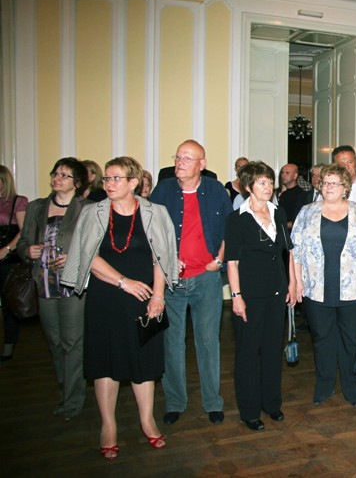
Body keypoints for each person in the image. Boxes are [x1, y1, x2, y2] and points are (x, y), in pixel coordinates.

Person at [62, 156, 177, 459]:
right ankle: (108, 425)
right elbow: (89, 257)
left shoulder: (155, 212)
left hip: (145, 297)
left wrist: (158, 297)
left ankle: (147, 420)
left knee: (144, 362)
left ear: (133, 182)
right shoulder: (93, 212)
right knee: (106, 362)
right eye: (107, 178)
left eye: (116, 178)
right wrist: (124, 282)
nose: (109, 184)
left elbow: (162, 258)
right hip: (106, 297)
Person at [150, 140, 231, 426]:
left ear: (202, 164)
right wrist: (168, 258)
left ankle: (212, 401)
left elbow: (229, 230)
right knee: (171, 343)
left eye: (187, 158)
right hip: (171, 281)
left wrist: (219, 260)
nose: (180, 162)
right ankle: (175, 401)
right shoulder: (163, 191)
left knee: (208, 342)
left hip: (206, 279)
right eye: (178, 157)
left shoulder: (216, 191)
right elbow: (151, 231)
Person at [291, 164, 356, 407]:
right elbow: (295, 250)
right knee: (322, 338)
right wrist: (297, 281)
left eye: (335, 183)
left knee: (351, 339)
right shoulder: (307, 212)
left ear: (345, 188)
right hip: (315, 287)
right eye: (325, 182)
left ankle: (351, 386)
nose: (329, 187)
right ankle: (325, 384)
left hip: (354, 288)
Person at [224, 162, 296, 431]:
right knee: (248, 353)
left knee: (272, 350)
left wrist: (292, 284)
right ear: (248, 186)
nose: (268, 187)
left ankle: (271, 403)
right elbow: (232, 262)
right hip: (250, 295)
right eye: (262, 182)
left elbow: (288, 252)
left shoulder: (279, 212)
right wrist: (236, 296)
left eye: (270, 182)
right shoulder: (237, 219)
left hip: (277, 292)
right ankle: (249, 411)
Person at [17, 157, 89, 420]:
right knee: (55, 342)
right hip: (44, 283)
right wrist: (28, 251)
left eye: (64, 175)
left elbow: (95, 245)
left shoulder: (87, 209)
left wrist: (75, 257)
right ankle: (65, 388)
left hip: (73, 286)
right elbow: (24, 241)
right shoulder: (37, 207)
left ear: (77, 183)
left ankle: (73, 400)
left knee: (72, 343)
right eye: (55, 173)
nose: (57, 178)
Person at [0, 165, 29, 361]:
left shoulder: (18, 201)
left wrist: (7, 249)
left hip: (8, 258)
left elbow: (23, 231)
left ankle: (8, 344)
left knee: (9, 303)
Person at [278, 163, 311, 229]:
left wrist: (281, 227)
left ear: (295, 176)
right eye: (282, 172)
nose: (283, 175)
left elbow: (300, 220)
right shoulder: (283, 194)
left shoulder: (301, 195)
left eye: (287, 173)